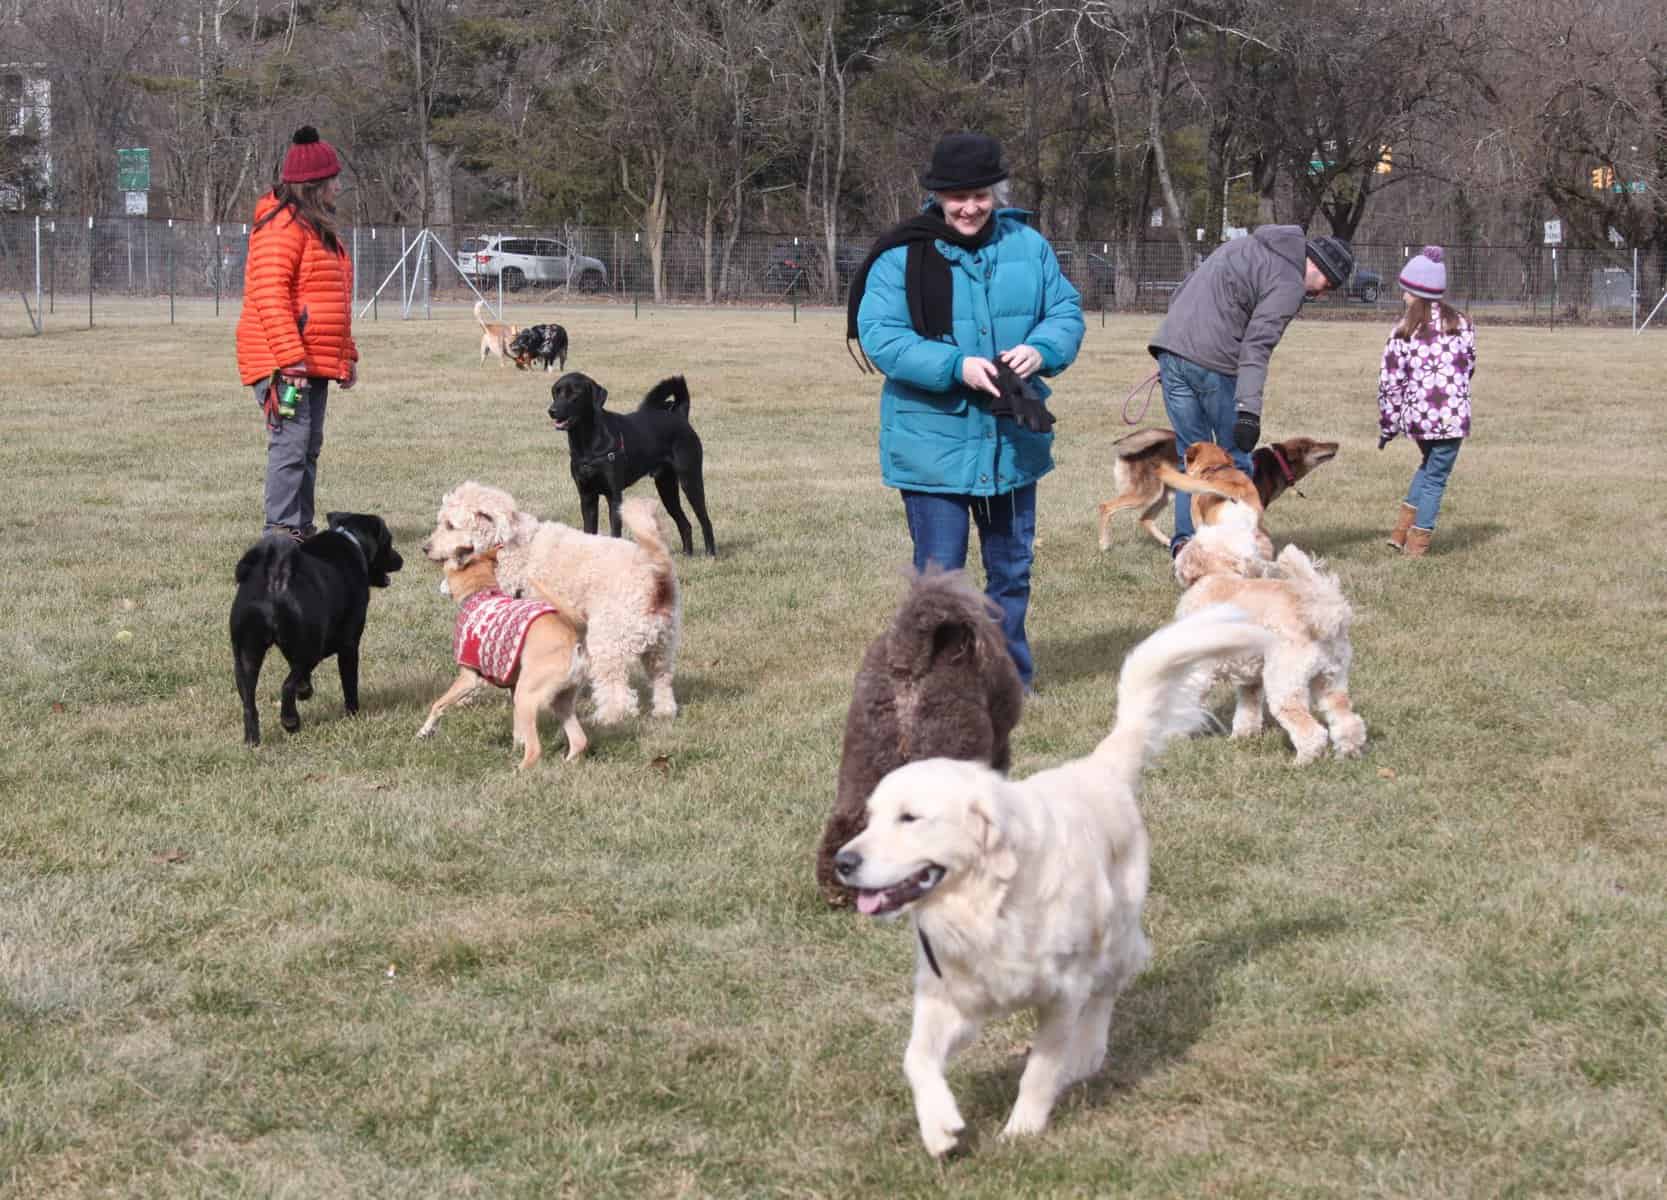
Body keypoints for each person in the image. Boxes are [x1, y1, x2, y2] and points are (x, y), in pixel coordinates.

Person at [849, 132, 1084, 691]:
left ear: (996, 192)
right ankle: (940, 683)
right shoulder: (901, 254)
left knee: (1011, 572)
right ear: (937, 196)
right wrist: (957, 366)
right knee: (940, 579)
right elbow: (881, 335)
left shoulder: (1029, 246)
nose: (970, 207)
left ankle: (1009, 680)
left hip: (1013, 438)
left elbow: (1066, 312)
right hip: (933, 443)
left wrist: (1043, 348)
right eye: (958, 197)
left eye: (980, 194)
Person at [1147, 227, 1354, 556]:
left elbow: (1184, 291)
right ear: (1317, 267)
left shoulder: (1243, 246)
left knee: (1194, 460)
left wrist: (1174, 352)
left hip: (1171, 348)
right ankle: (1238, 548)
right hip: (1215, 362)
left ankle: (1187, 548)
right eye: (1327, 285)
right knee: (1237, 458)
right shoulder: (1289, 282)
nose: (1322, 293)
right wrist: (1248, 412)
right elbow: (1257, 346)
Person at [235, 126, 358, 540]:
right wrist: (289, 360)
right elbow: (269, 294)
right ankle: (282, 532)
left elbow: (330, 299)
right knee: (290, 446)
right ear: (313, 186)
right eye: (333, 181)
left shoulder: (315, 227)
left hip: (313, 360)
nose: (338, 188)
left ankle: (301, 529)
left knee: (307, 446)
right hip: (283, 362)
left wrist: (347, 356)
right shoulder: (282, 227)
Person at [1377, 246, 1475, 558]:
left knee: (1427, 466)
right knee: (1436, 478)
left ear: (1415, 291)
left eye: (1405, 289)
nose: (1403, 294)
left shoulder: (1404, 330)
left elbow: (1390, 382)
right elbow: (1469, 365)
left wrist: (1388, 426)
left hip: (1418, 420)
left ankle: (1401, 533)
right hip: (1451, 418)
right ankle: (1417, 546)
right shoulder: (1461, 324)